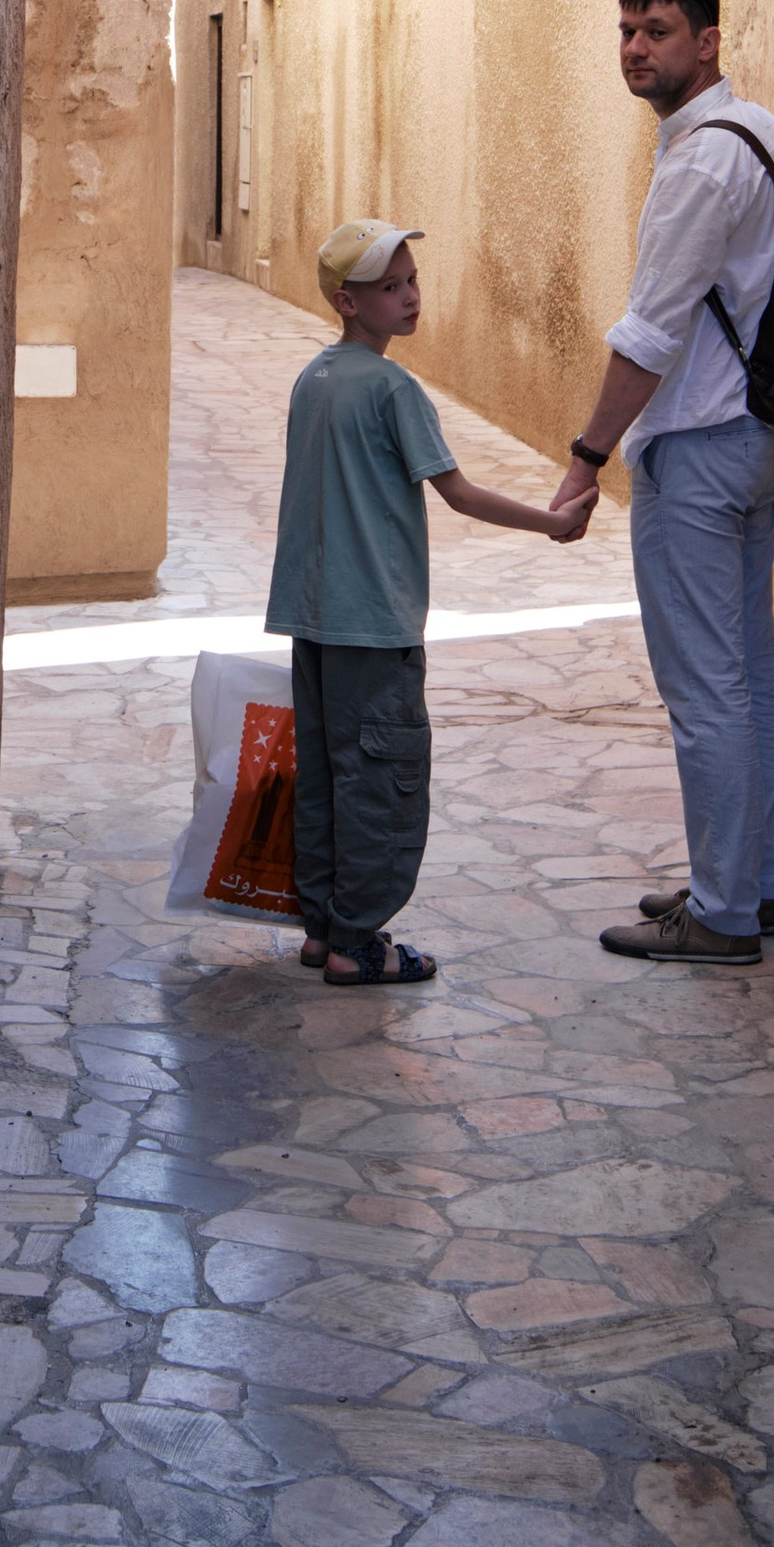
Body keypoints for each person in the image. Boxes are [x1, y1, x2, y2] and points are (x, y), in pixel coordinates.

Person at [268, 218, 593, 987]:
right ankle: (359, 944)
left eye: (411, 279)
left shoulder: (312, 379)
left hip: (312, 620)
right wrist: (552, 523)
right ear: (347, 303)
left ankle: (321, 930)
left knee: (324, 777)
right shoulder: (392, 388)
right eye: (390, 288)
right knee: (380, 782)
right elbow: (459, 494)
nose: (411, 297)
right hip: (374, 624)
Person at [550, 0, 774, 969]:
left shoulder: (700, 164)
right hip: (752, 437)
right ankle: (745, 887)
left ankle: (724, 914)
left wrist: (584, 460)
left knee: (706, 690)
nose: (636, 48)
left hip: (697, 447)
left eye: (657, 30)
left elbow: (649, 333)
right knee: (746, 678)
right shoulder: (756, 132)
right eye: (626, 30)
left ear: (707, 42)